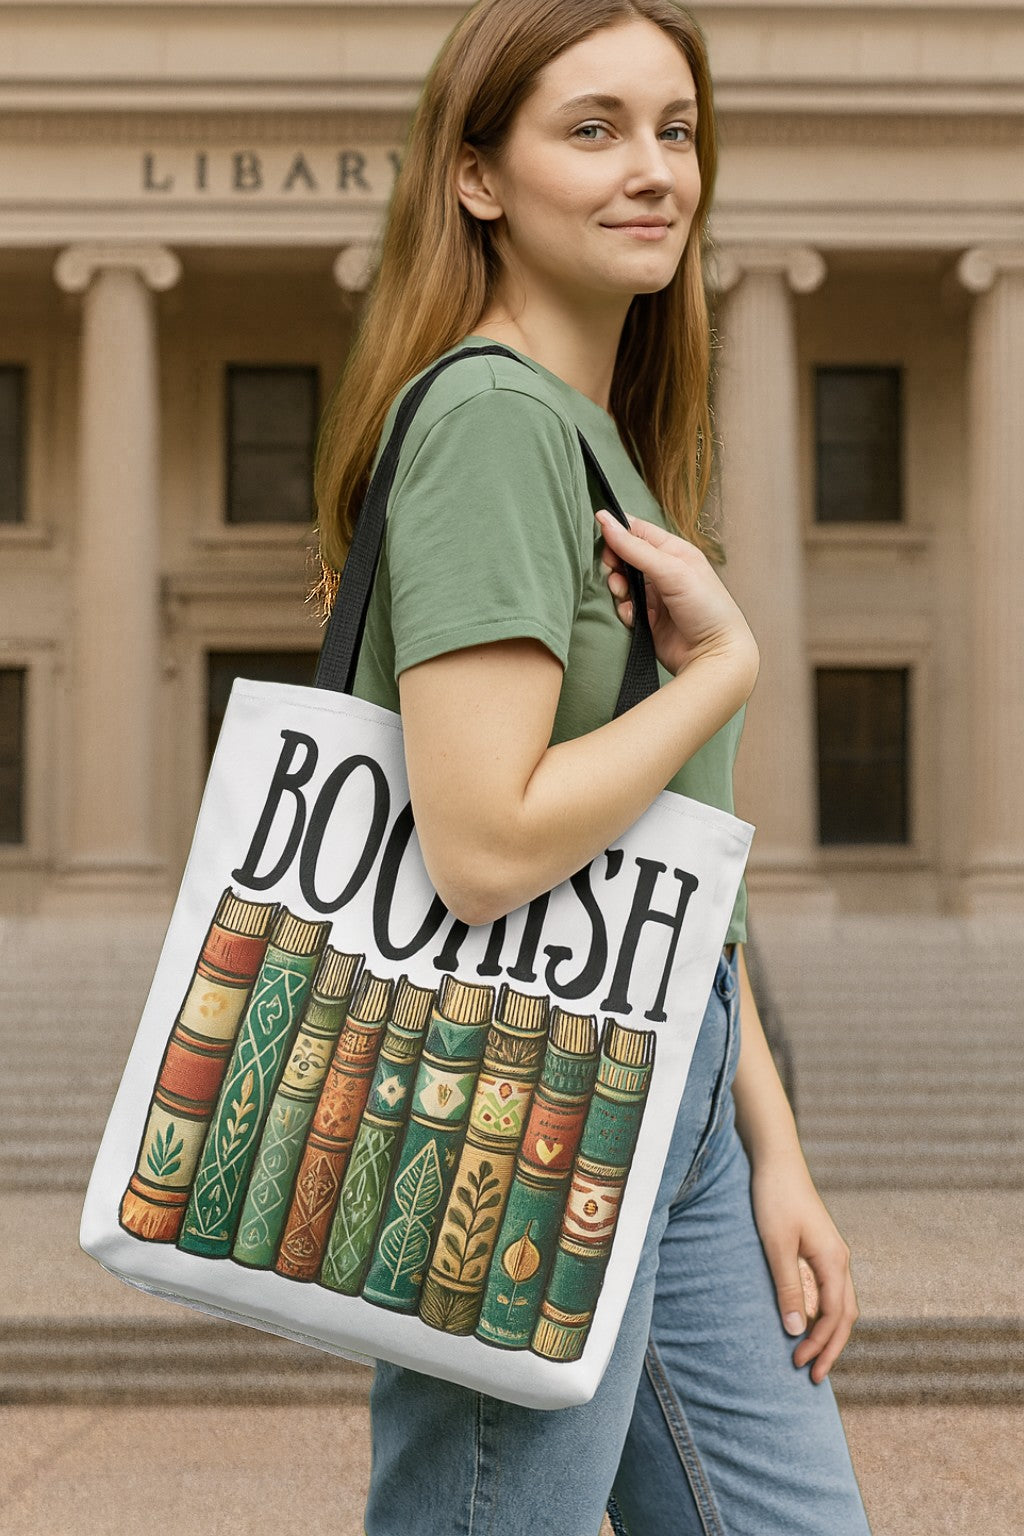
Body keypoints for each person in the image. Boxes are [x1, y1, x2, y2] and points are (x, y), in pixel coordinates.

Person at [312, 1, 872, 1531]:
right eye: (594, 128)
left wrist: (770, 1144)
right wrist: (728, 673)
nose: (655, 171)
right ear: (479, 178)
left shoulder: (595, 441)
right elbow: (488, 844)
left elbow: (669, 852)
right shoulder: (494, 422)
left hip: (665, 1061)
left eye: (675, 130)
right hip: (512, 1078)